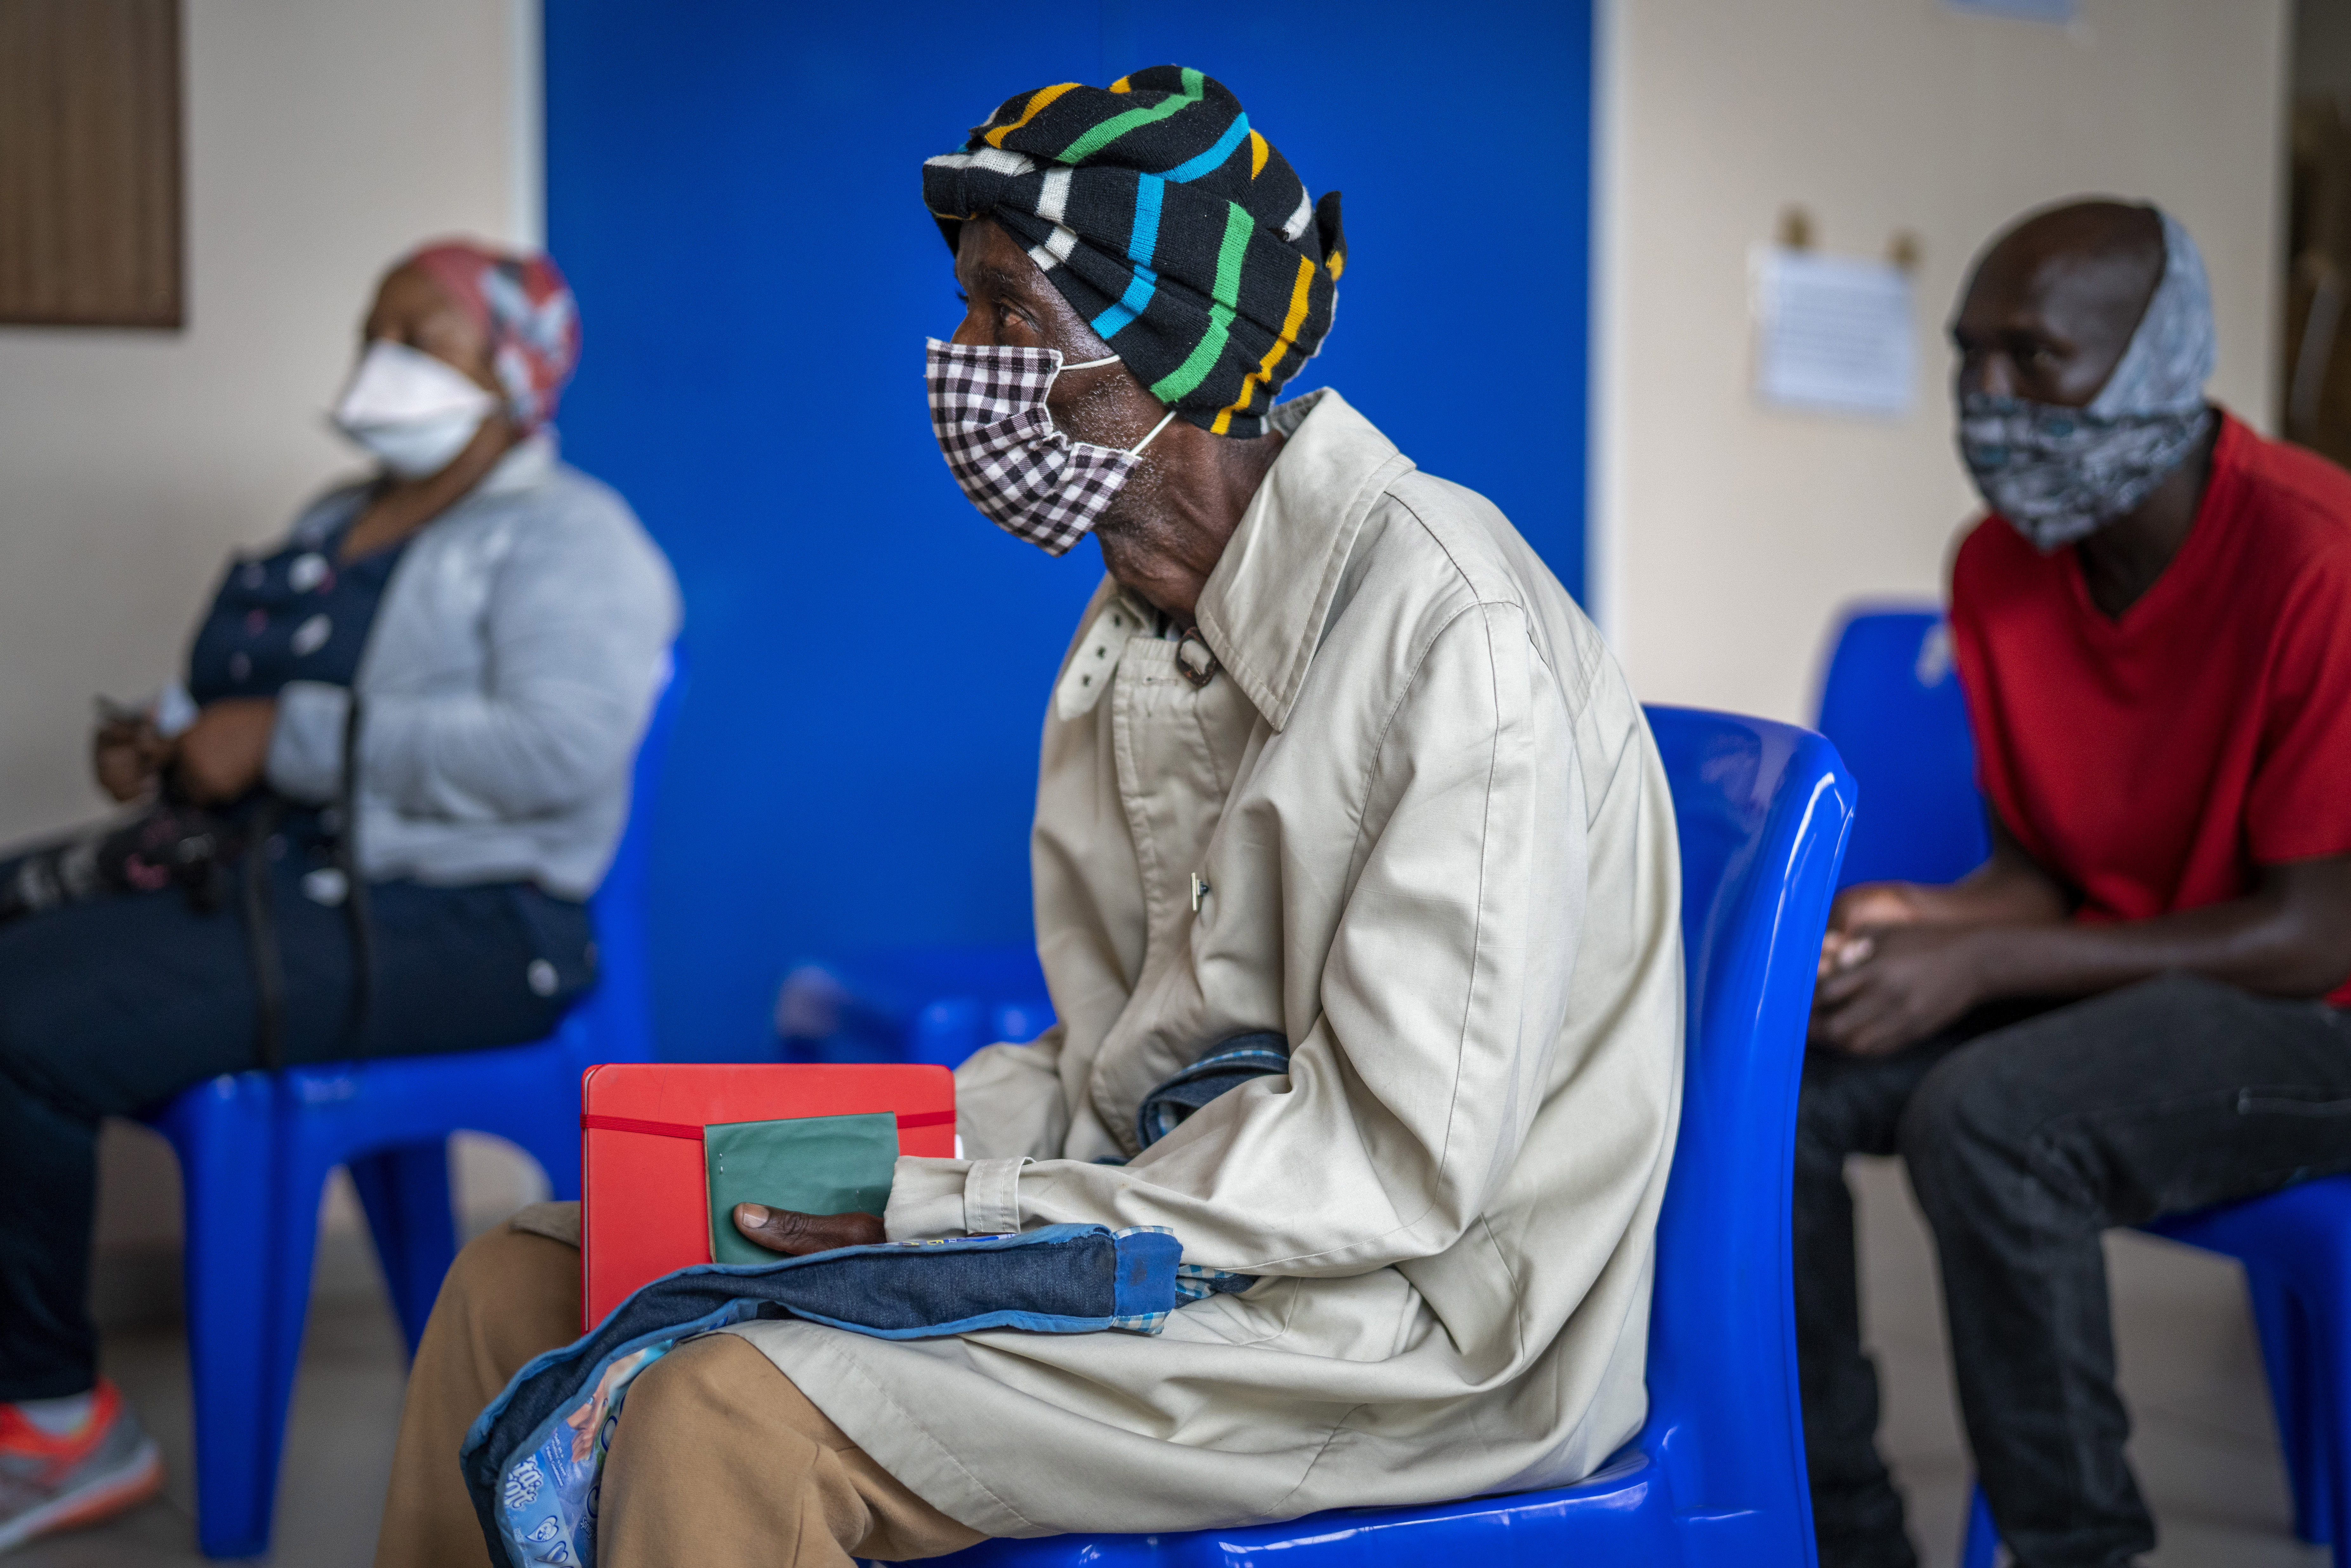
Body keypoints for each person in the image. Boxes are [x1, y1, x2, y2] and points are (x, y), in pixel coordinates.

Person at [374, 67, 1683, 1568]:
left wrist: (943, 1210)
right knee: (524, 1278)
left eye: (1010, 314)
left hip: (1396, 1326)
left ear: (1169, 342)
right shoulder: (1136, 623)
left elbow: (1387, 1173)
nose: (962, 362)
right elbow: (1112, 1067)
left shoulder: (1449, 637)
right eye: (967, 310)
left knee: (724, 1413)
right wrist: (807, 1165)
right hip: (1198, 1239)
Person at [0, 241, 679, 1552]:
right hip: (282, 884)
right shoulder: (331, 519)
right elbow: (257, 714)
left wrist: (283, 738)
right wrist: (176, 738)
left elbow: (560, 750)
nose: (384, 362)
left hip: (477, 923)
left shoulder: (572, 539)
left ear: (516, 369)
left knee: (23, 1026)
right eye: (375, 329)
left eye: (420, 336)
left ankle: (59, 1420)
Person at [1798, 199, 2351, 1568]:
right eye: (1966, 359)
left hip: (2318, 1007)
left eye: (2033, 359)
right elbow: (2049, 874)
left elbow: (2306, 932)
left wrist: (1982, 965)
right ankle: (1846, 1537)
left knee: (1985, 1121)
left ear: (2164, 363)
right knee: (1781, 1081)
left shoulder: (2319, 558)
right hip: (2145, 976)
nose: (1988, 403)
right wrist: (1931, 921)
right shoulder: (1996, 571)